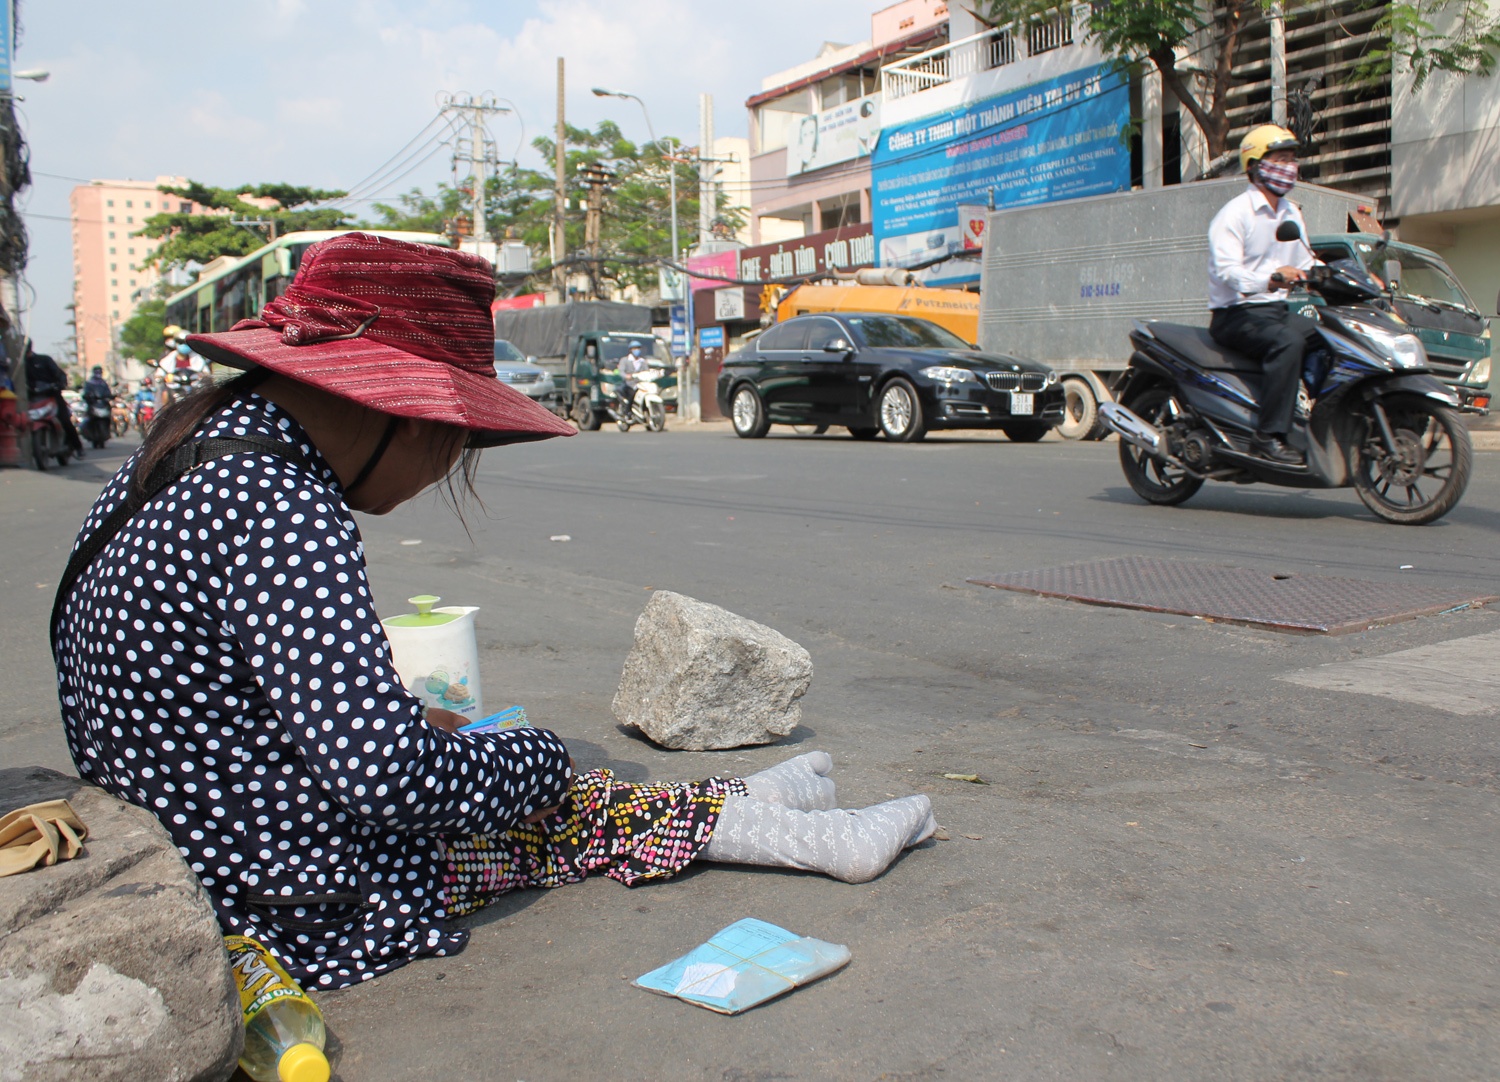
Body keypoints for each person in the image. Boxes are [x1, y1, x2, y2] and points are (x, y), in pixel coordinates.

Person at [51, 233, 935, 992]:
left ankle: (743, 808)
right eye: (462, 439)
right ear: (405, 412)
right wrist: (532, 759)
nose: (452, 463)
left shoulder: (184, 451)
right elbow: (389, 780)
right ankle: (796, 834)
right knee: (544, 796)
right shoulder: (279, 500)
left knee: (505, 774)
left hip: (201, 836)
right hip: (282, 899)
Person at [1207, 124, 1318, 466]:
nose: (1289, 166)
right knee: (1288, 343)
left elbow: (1307, 261)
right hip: (1235, 314)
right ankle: (1267, 436)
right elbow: (1229, 272)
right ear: (1254, 165)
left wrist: (1349, 275)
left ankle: (1316, 422)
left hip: (1274, 311)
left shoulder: (1290, 213)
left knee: (1327, 337)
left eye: (1291, 159)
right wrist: (1271, 279)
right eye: (1280, 158)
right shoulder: (1234, 214)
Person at [24, 345, 85, 457]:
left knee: (65, 420)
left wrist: (60, 384)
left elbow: (59, 374)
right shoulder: (20, 364)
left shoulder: (44, 360)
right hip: (34, 398)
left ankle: (78, 447)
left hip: (52, 396)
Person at [618, 343, 652, 415]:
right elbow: (621, 372)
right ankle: (628, 411)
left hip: (641, 384)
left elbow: (647, 371)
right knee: (632, 393)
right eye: (635, 348)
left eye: (638, 348)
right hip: (628, 384)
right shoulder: (625, 360)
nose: (637, 350)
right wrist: (627, 376)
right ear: (630, 350)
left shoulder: (643, 361)